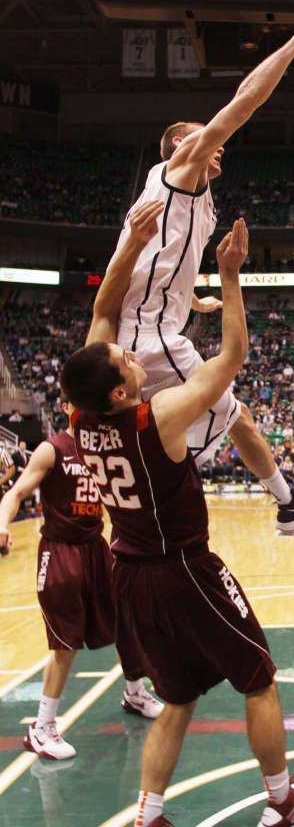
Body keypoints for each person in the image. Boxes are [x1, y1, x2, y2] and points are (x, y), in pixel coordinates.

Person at [60, 220, 294, 827]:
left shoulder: (81, 416)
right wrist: (229, 276)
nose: (131, 351)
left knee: (177, 697)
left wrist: (127, 248)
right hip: (183, 569)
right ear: (122, 393)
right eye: (127, 359)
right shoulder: (157, 418)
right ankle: (284, 804)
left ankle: (148, 815)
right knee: (258, 680)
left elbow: (103, 309)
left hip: (130, 573)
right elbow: (232, 357)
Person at [109, 24, 294, 533]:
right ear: (183, 143)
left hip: (147, 330)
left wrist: (195, 303)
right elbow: (245, 100)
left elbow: (160, 263)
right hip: (150, 337)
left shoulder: (190, 199)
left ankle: (281, 501)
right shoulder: (177, 168)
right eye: (205, 134)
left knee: (205, 424)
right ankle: (288, 503)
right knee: (230, 414)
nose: (221, 145)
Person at [0, 202, 167, 761]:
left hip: (99, 547)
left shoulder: (107, 430)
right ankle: (42, 725)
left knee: (127, 624)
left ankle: (135, 690)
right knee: (64, 642)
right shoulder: (56, 444)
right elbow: (18, 491)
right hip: (62, 549)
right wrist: (3, 525)